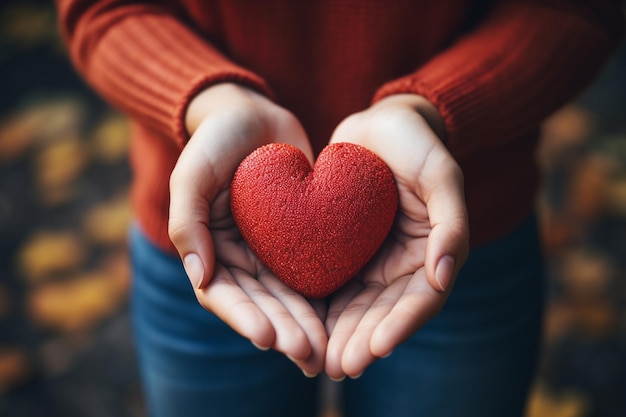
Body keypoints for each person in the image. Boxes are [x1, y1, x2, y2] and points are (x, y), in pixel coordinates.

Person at [55, 1, 623, 416]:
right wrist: (208, 100)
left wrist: (429, 108)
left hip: (443, 240)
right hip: (210, 235)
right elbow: (101, 9)